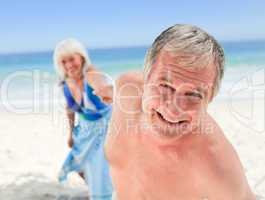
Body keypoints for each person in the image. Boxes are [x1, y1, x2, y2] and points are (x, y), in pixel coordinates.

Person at [104, 24, 256, 200]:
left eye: (193, 94)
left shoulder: (215, 164)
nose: (173, 109)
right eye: (165, 86)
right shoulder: (125, 90)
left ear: (210, 100)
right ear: (146, 77)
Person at [53, 38, 113, 200]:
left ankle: (103, 193)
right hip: (86, 128)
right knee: (78, 164)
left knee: (101, 167)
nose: (69, 65)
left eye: (72, 59)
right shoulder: (66, 83)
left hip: (105, 125)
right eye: (64, 62)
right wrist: (71, 133)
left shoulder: (92, 74)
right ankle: (95, 189)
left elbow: (109, 90)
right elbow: (70, 109)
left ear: (82, 57)